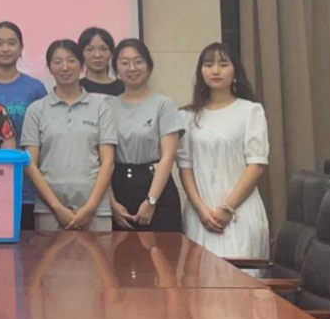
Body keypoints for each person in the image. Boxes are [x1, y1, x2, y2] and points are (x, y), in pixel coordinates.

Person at [179, 42, 270, 259]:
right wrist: (201, 209)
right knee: (199, 277)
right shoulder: (187, 116)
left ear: (235, 71)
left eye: (223, 64)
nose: (215, 70)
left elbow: (256, 165)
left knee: (241, 276)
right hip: (200, 214)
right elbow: (184, 166)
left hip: (240, 212)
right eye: (208, 64)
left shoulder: (250, 111)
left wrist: (227, 208)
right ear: (201, 72)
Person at [21, 40, 117, 232]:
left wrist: (90, 208)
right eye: (57, 62)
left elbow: (108, 162)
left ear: (81, 65)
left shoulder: (101, 108)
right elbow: (30, 164)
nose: (65, 67)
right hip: (49, 209)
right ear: (49, 67)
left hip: (95, 209)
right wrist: (57, 208)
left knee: (102, 253)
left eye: (71, 61)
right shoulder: (36, 110)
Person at [105, 39, 184, 232]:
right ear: (116, 69)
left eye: (138, 61)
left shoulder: (163, 105)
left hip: (157, 190)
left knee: (163, 251)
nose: (132, 68)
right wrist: (111, 202)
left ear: (148, 67)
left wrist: (151, 201)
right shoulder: (107, 107)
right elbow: (103, 160)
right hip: (118, 190)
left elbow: (168, 157)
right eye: (124, 62)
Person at [0, 21, 48, 230]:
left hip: (27, 187)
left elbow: (45, 137)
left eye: (11, 43)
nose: (5, 48)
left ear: (21, 48)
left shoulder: (35, 88)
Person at [79, 27, 125, 96]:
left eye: (104, 49)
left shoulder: (124, 88)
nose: (97, 55)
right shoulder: (76, 88)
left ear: (111, 53)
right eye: (90, 49)